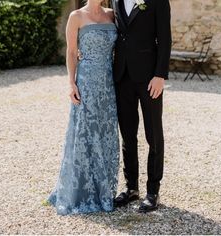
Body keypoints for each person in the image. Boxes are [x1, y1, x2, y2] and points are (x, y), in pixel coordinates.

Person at [47, 0, 119, 215]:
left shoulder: (111, 15)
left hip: (109, 83)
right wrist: (71, 83)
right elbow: (71, 52)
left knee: (106, 133)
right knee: (85, 132)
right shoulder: (76, 16)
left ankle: (103, 190)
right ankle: (80, 192)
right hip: (86, 82)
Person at [112, 0, 172, 212]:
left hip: (149, 78)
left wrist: (160, 75)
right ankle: (131, 187)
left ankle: (153, 191)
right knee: (127, 134)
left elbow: (165, 38)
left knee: (153, 134)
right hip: (122, 76)